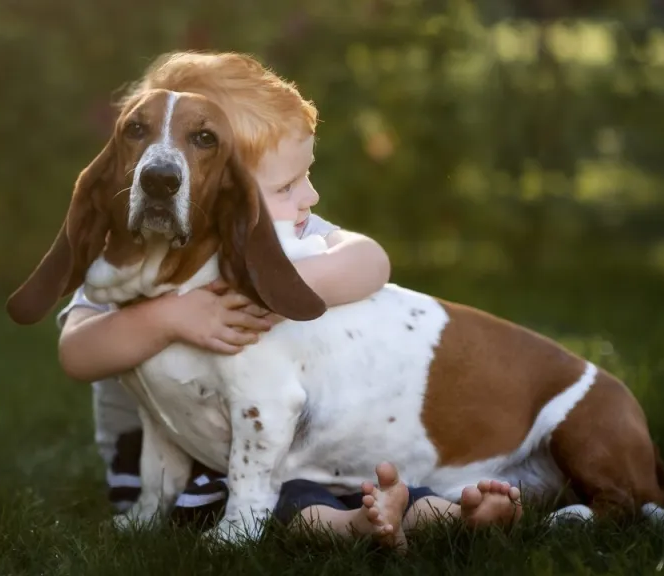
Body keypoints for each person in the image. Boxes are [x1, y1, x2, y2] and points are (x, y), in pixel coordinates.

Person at [56, 51, 522, 549]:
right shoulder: (125, 265)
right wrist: (171, 316)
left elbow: (371, 262)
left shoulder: (289, 233)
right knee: (283, 505)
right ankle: (371, 523)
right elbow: (77, 352)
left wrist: (272, 288)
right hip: (185, 461)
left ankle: (434, 510)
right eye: (286, 185)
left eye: (306, 175)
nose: (310, 197)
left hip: (297, 450)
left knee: (324, 486)